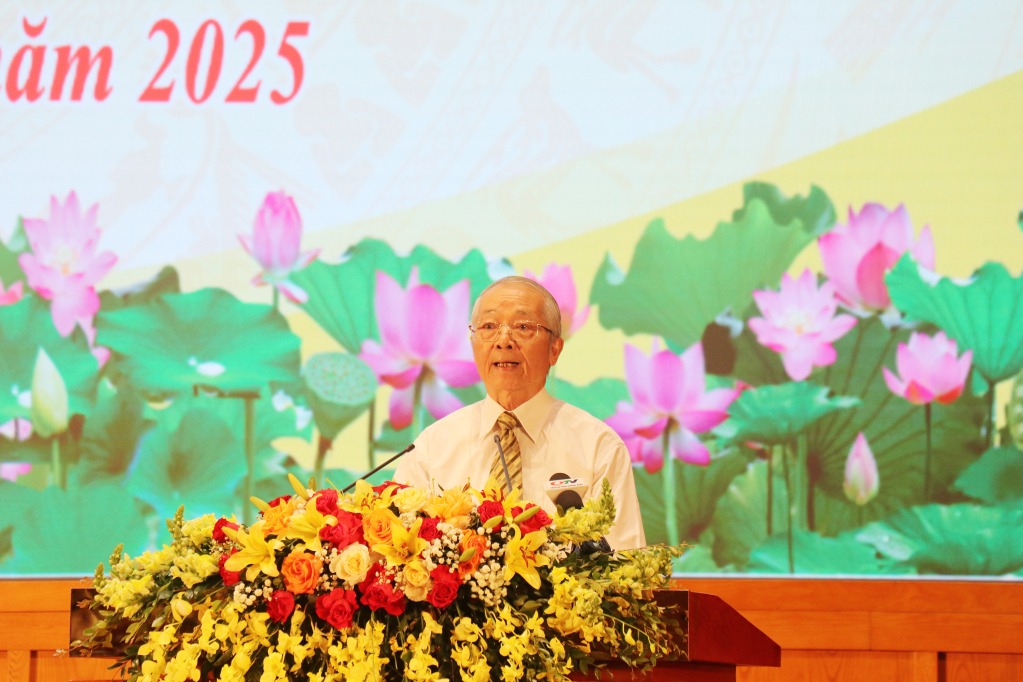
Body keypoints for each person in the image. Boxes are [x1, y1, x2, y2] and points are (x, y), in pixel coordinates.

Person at [394, 276, 646, 550]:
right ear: (473, 343)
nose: (504, 340)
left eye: (523, 327)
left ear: (554, 349)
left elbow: (627, 561)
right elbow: (399, 555)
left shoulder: (598, 446)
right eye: (489, 327)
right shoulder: (430, 448)